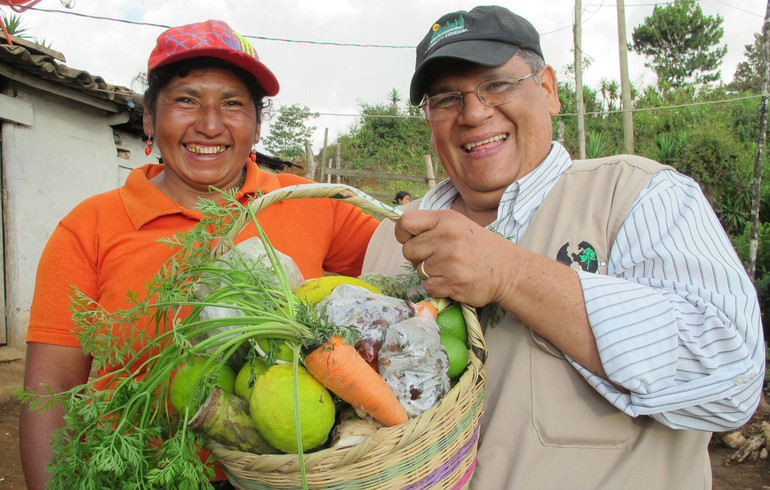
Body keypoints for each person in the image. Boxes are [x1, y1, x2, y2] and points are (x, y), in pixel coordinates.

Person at [362, 6, 765, 488]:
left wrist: (511, 274)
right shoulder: (389, 244)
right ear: (429, 119)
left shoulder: (639, 195)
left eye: (497, 84)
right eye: (446, 98)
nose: (473, 113)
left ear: (548, 89)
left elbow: (730, 383)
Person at [19, 20, 379, 490]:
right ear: (149, 118)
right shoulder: (88, 228)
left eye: (232, 104)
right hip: (131, 476)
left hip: (287, 479)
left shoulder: (311, 203)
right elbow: (51, 394)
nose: (210, 124)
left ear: (255, 125)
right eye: (186, 99)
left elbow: (404, 271)